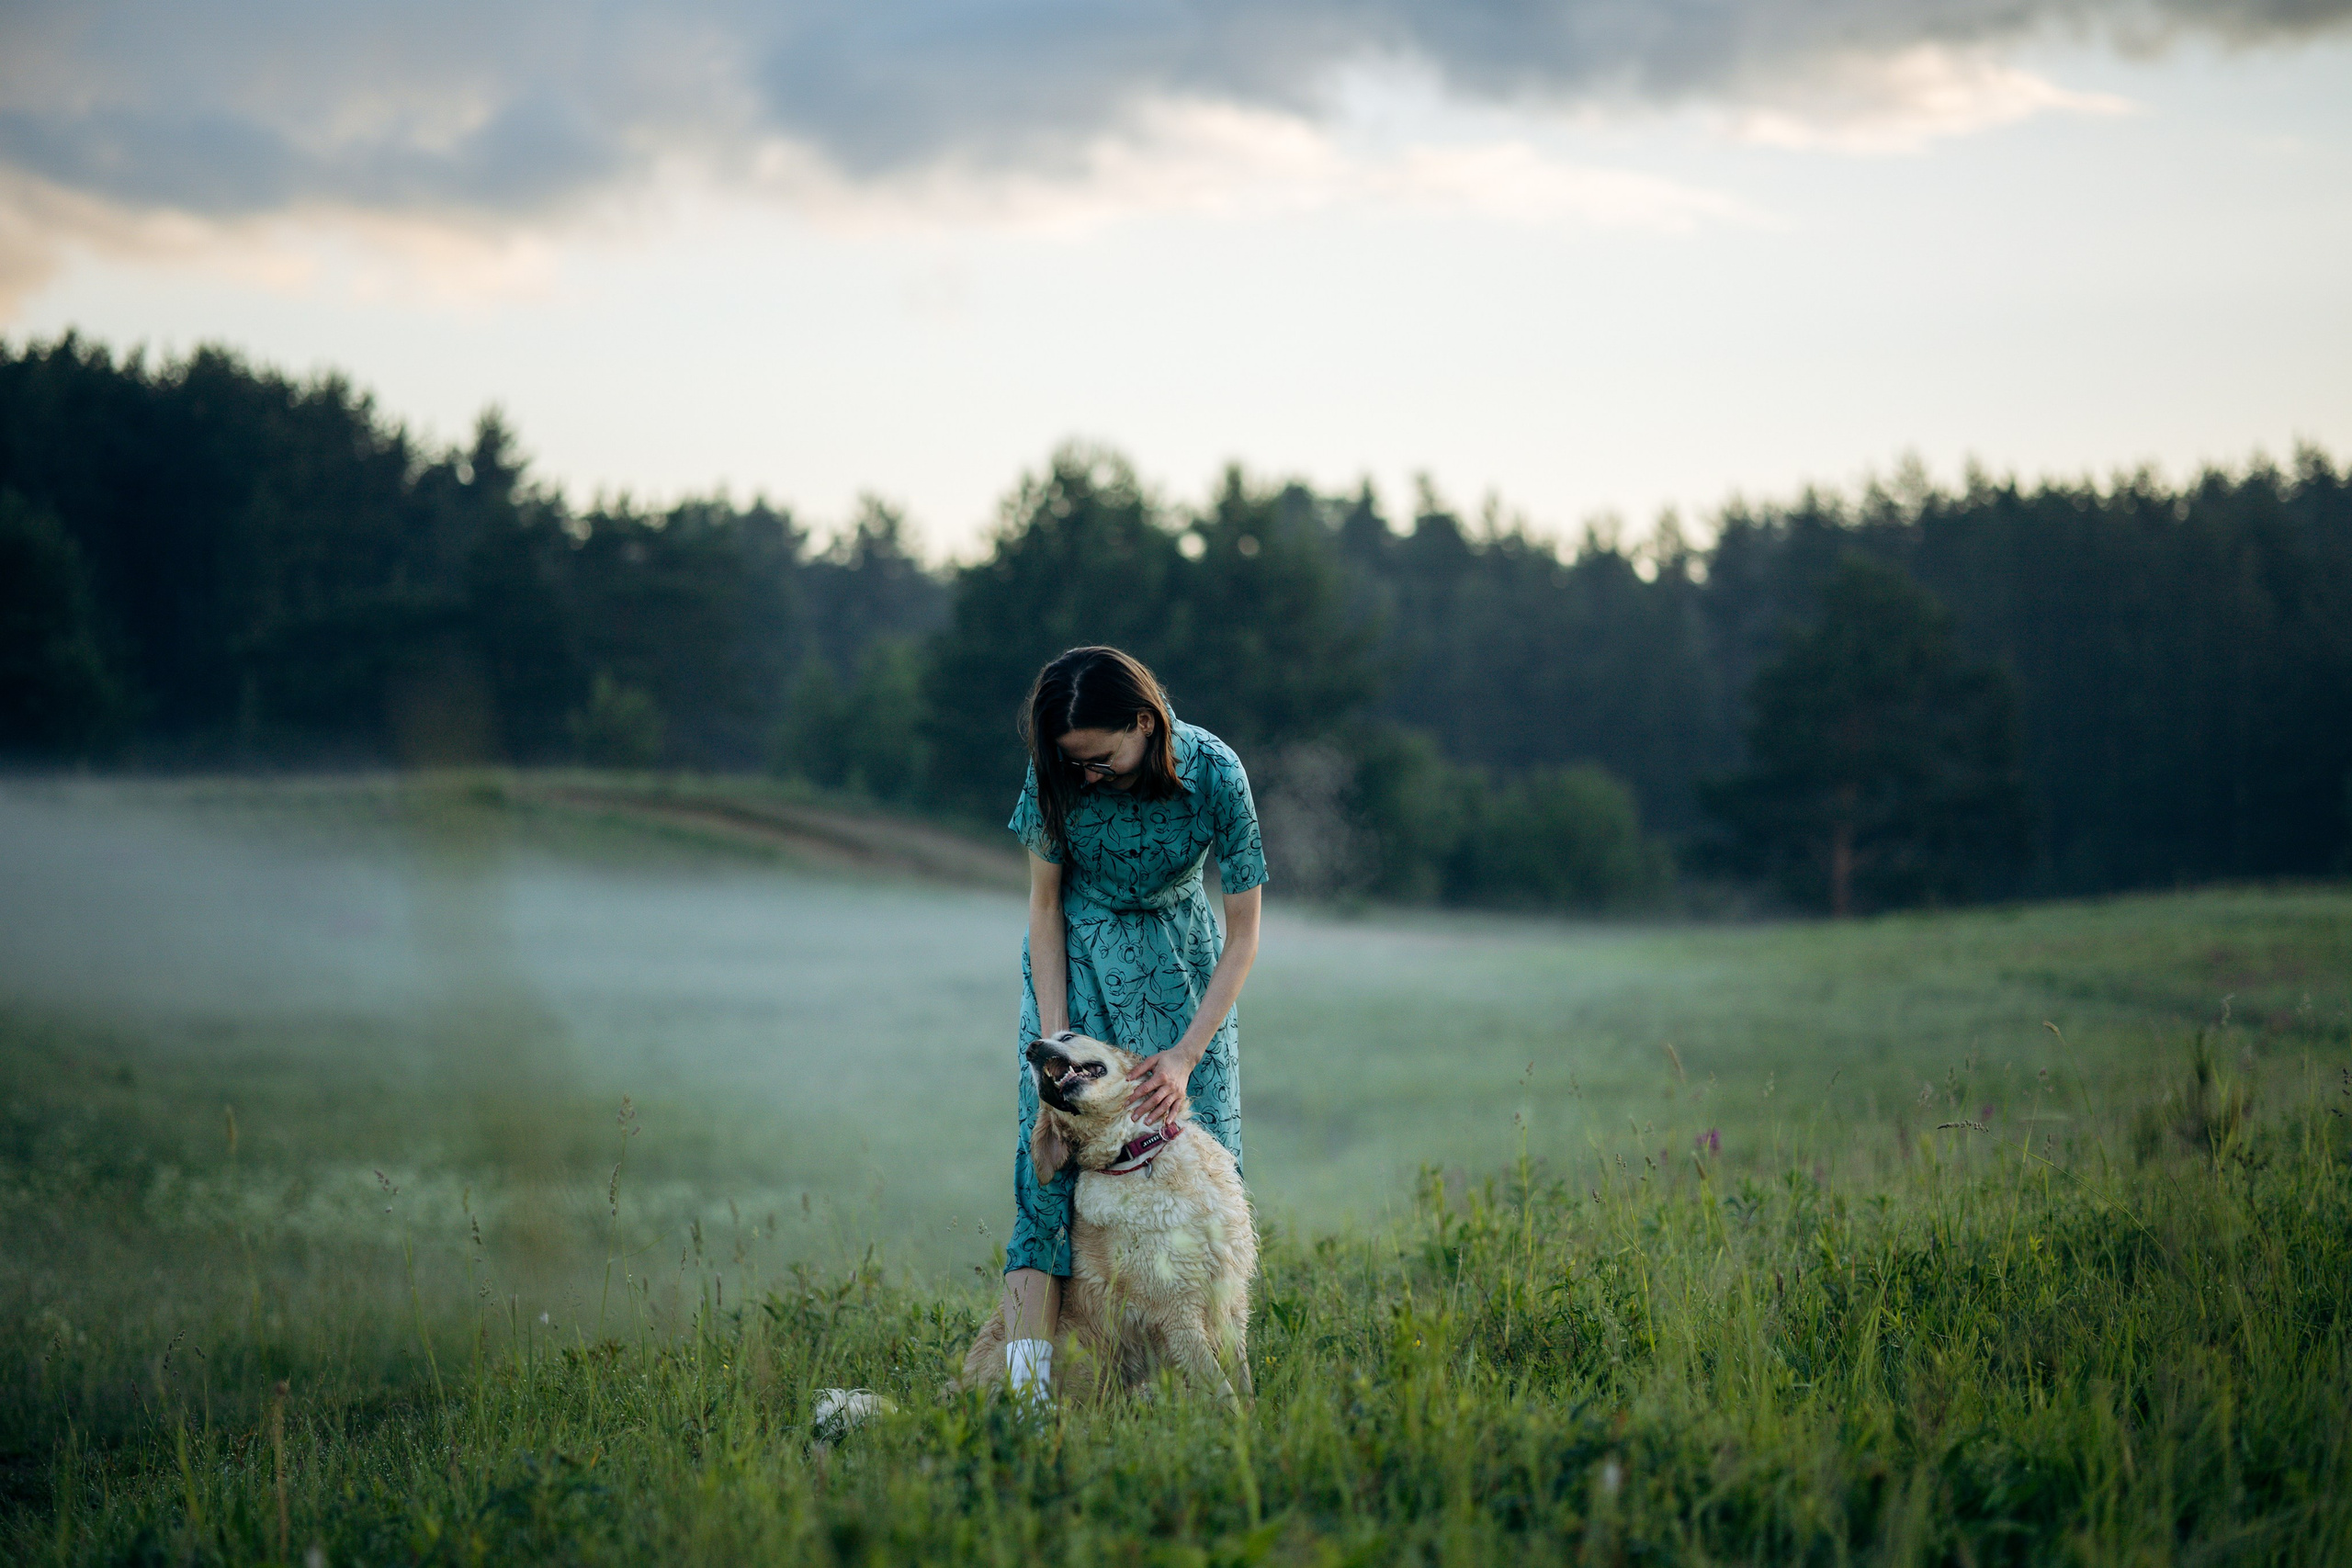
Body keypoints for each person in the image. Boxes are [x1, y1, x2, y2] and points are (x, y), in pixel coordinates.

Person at [997, 645, 1266, 1403]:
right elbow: (1044, 907)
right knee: (1044, 1186)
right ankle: (1024, 1402)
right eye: (1073, 761)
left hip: (1181, 982)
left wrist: (1184, 1054)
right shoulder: (1057, 769)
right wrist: (1057, 1046)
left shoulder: (1216, 771)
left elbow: (1244, 932)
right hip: (1073, 973)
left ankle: (1202, 1392)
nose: (1087, 774)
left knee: (1199, 1178)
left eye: (1101, 758)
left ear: (1146, 723)